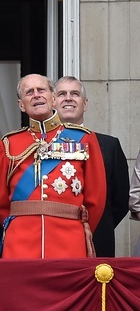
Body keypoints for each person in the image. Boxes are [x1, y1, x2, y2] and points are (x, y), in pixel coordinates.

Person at [0, 74, 106, 258]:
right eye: (29, 92)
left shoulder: (85, 138)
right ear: (21, 105)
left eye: (41, 90)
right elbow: (1, 203)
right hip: (20, 243)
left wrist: (79, 230)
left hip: (69, 242)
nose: (36, 95)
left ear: (53, 99)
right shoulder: (8, 143)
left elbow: (96, 199)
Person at [54, 75, 130, 257]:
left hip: (97, 238)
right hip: (54, 239)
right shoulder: (40, 147)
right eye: (62, 94)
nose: (68, 98)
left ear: (85, 104)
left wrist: (98, 225)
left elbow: (121, 200)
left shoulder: (109, 145)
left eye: (75, 94)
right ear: (53, 103)